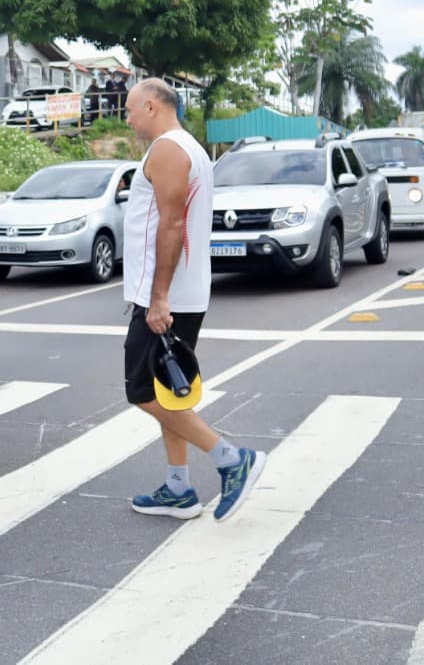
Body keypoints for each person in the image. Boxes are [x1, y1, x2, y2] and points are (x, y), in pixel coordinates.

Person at [121, 77, 265, 523]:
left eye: (129, 111)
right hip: (184, 290)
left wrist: (157, 298)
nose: (126, 119)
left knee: (142, 391)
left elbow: (170, 225)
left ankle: (230, 459)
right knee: (170, 390)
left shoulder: (167, 149)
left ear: (151, 106)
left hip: (167, 295)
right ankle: (179, 487)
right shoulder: (192, 148)